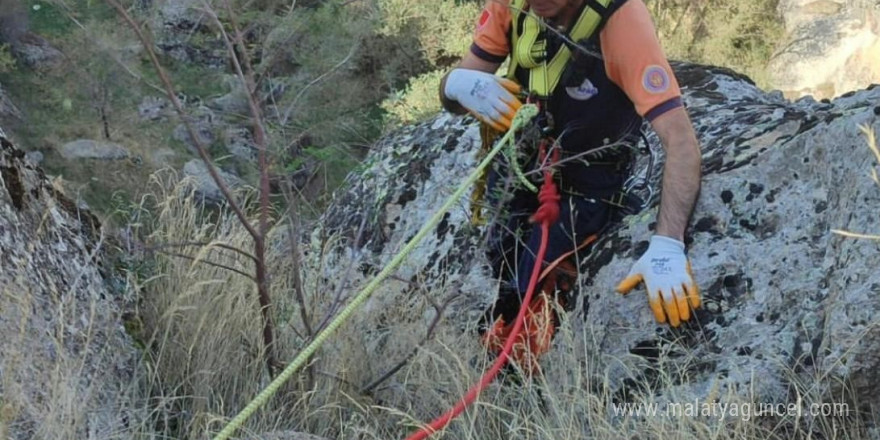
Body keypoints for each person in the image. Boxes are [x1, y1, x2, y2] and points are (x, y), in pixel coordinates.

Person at [439, 0, 703, 373]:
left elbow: (681, 141)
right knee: (505, 266)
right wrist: (456, 85)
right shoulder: (511, 7)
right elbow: (453, 95)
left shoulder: (620, 19)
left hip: (587, 182)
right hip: (520, 166)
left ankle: (515, 374)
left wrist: (668, 244)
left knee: (537, 289)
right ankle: (504, 335)